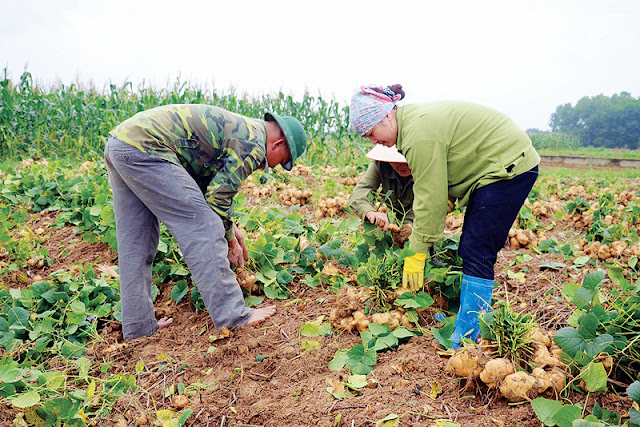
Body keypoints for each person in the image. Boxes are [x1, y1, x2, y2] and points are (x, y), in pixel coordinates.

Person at [349, 85, 540, 349]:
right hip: (490, 171)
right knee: (471, 247)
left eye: (372, 133)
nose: (373, 141)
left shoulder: (418, 136)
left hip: (507, 167)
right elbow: (441, 190)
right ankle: (466, 319)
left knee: (477, 248)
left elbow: (429, 198)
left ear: (386, 117)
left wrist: (416, 253)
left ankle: (466, 337)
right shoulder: (411, 128)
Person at [104, 104, 307, 341]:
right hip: (148, 149)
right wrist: (228, 237)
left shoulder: (243, 130)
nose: (271, 166)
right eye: (280, 161)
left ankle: (138, 327)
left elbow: (204, 190)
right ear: (278, 144)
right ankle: (233, 315)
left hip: (122, 144)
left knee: (135, 242)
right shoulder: (254, 144)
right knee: (204, 227)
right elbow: (218, 199)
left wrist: (232, 230)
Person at [348, 144, 414, 230]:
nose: (402, 165)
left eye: (407, 160)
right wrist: (370, 212)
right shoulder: (380, 164)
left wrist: (408, 225)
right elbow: (360, 192)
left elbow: (431, 205)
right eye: (396, 160)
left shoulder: (428, 169)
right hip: (394, 221)